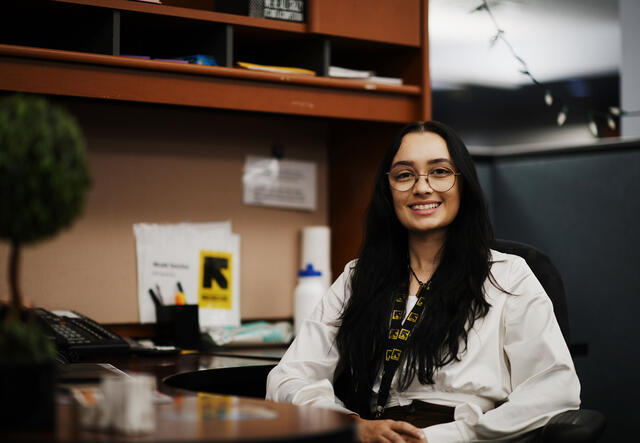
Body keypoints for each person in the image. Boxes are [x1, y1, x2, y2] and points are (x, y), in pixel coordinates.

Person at [266, 121, 580, 442]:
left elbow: (554, 391)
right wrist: (348, 425)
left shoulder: (507, 276)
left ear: (463, 183)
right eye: (404, 175)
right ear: (388, 190)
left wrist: (444, 437)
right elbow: (289, 375)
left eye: (440, 172)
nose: (422, 187)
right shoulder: (359, 277)